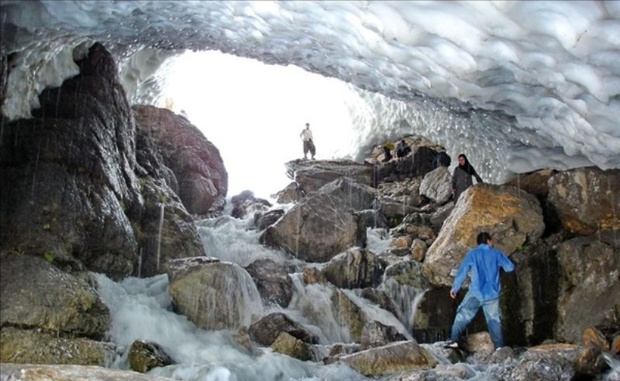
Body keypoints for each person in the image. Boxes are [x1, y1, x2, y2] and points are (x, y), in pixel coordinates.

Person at [445, 232, 515, 350]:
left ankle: (454, 340)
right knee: (494, 321)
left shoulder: (472, 254)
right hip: (492, 294)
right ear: (489, 241)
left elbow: (462, 272)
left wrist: (455, 288)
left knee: (462, 316)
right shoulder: (497, 254)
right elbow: (510, 268)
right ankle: (499, 348)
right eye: (491, 241)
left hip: (475, 293)